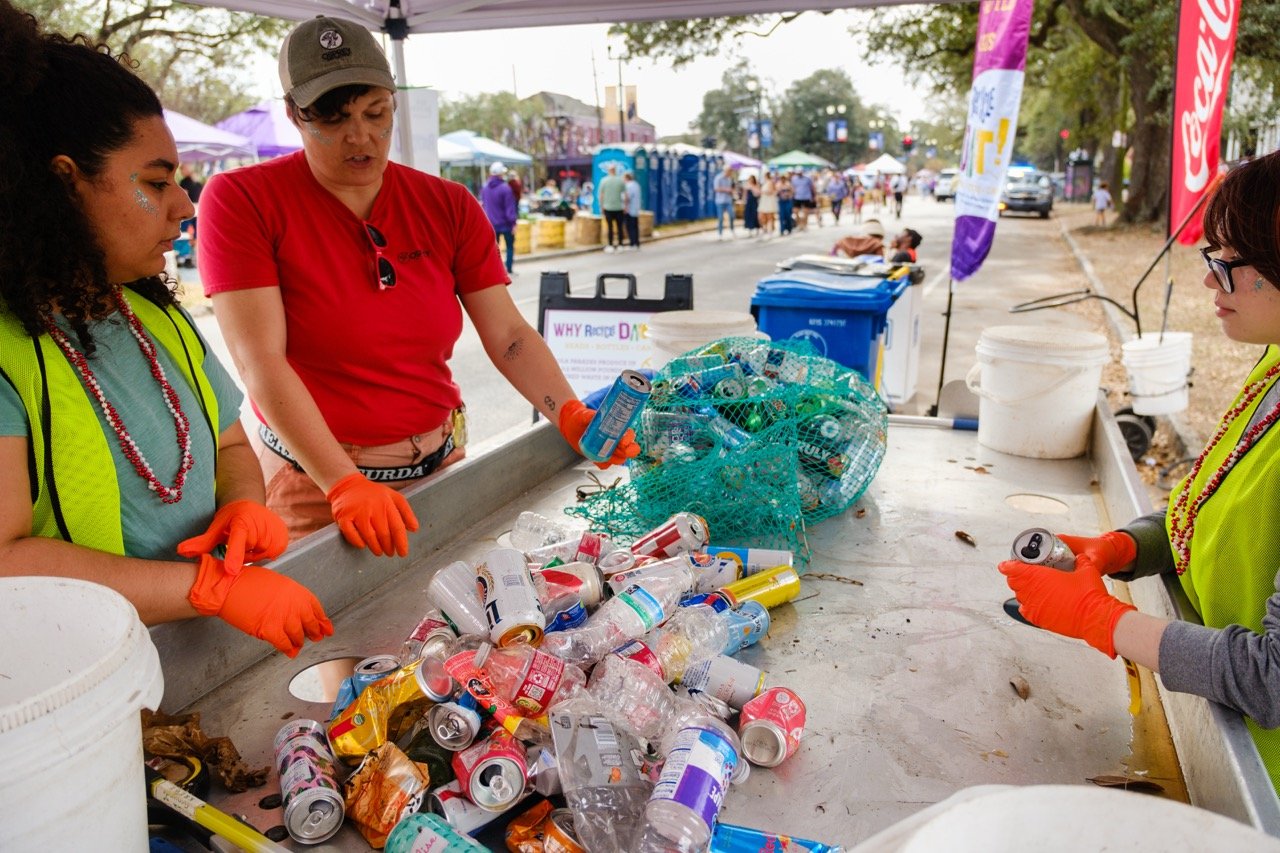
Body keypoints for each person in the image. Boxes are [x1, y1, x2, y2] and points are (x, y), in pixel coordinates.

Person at [199, 15, 638, 554]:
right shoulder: (242, 201)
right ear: (294, 114)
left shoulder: (448, 204)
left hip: (440, 466)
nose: (359, 136)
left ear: (393, 104)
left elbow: (507, 334)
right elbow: (261, 361)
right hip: (312, 485)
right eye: (334, 120)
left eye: (375, 114)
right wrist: (341, 482)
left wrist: (567, 410)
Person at [0, 1, 331, 658]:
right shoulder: (12, 353)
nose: (185, 205)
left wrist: (242, 504)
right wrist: (209, 590)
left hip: (204, 656)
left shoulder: (157, 314)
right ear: (66, 185)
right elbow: (7, 561)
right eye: (157, 181)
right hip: (83, 676)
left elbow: (234, 447)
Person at [1000, 151, 1280, 793]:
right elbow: (1211, 500)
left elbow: (1272, 678)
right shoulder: (1273, 368)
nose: (1210, 282)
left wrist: (1105, 621)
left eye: (1227, 264)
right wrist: (1126, 547)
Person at [480, 162, 517, 274]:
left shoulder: (485, 188)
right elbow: (509, 208)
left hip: (490, 224)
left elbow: (483, 205)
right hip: (505, 224)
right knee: (509, 247)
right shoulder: (505, 189)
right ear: (500, 174)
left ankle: (496, 270)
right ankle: (509, 269)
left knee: (494, 249)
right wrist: (513, 223)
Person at [178, 163, 203, 265]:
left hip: (191, 210)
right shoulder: (195, 182)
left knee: (187, 233)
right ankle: (188, 255)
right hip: (196, 210)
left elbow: (184, 195)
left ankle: (186, 255)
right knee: (191, 233)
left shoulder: (186, 182)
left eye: (182, 169)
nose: (181, 172)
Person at [597, 163, 626, 252]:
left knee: (610, 227)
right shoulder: (621, 180)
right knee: (619, 227)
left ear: (609, 171)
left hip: (608, 207)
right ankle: (621, 245)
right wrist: (625, 206)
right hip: (619, 207)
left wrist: (601, 207)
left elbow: (601, 195)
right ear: (615, 170)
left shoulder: (603, 181)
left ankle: (610, 245)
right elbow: (625, 195)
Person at [713, 164, 736, 240]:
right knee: (720, 218)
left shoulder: (729, 179)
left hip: (728, 200)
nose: (731, 173)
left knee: (732, 215)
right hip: (720, 201)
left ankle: (732, 230)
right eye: (730, 171)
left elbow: (731, 189)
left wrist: (731, 191)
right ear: (726, 171)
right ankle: (720, 233)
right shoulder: (718, 178)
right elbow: (716, 189)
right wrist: (726, 190)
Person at [623, 170, 641, 251]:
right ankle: (636, 243)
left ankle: (632, 243)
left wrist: (625, 207)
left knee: (630, 227)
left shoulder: (628, 186)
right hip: (636, 209)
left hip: (630, 209)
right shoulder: (636, 185)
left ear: (626, 178)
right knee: (635, 226)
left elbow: (627, 198)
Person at [758, 172, 779, 238]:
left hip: (768, 202)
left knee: (769, 217)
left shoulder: (770, 182)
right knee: (762, 217)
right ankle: (765, 229)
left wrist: (762, 192)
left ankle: (769, 231)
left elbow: (771, 192)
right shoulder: (765, 183)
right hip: (764, 201)